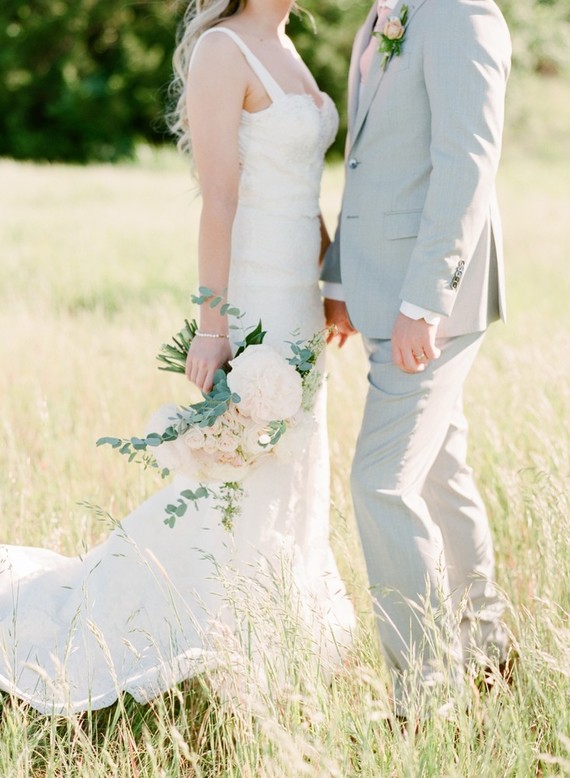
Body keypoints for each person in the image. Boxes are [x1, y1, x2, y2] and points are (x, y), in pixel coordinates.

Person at [0, 0, 354, 714]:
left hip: (301, 306)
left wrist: (330, 283)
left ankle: (264, 639)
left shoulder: (287, 42)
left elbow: (299, 185)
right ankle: (156, 628)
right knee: (232, 475)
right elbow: (218, 197)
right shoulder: (223, 49)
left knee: (289, 469)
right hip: (253, 299)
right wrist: (211, 325)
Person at [322, 0, 512, 715]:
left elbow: (468, 164)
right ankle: (490, 653)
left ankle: (425, 695)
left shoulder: (461, 14)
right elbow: (368, 165)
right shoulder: (383, 18)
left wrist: (425, 299)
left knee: (380, 483)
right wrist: (340, 280)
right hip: (379, 288)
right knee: (438, 473)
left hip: (430, 302)